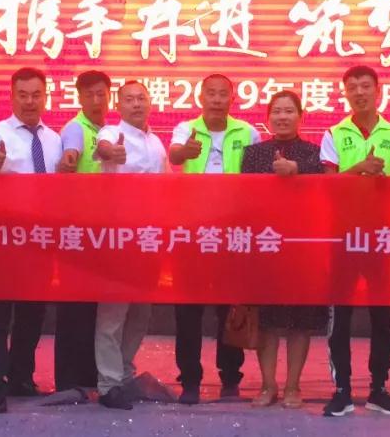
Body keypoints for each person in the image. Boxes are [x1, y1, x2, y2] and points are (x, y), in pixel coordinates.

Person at [319, 65, 390, 418]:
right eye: (353, 87)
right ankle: (341, 389)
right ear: (345, 93)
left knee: (382, 317)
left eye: (365, 86)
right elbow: (327, 185)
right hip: (342, 236)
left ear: (378, 90)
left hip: (382, 237)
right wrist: (358, 168)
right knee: (340, 316)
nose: (359, 92)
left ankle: (379, 389)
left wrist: (383, 180)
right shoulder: (334, 133)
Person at [0, 67, 65, 414]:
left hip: (40, 239)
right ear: (12, 97)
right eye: (23, 95)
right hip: (2, 239)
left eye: (36, 95)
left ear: (45, 97)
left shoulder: (54, 139)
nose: (29, 101)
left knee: (32, 313)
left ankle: (21, 377)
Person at [168, 73, 261, 405]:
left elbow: (258, 176)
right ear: (201, 98)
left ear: (232, 100)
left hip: (233, 231)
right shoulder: (186, 129)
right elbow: (175, 156)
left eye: (224, 94)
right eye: (211, 93)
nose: (217, 99)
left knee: (229, 309)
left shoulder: (247, 132)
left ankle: (230, 377)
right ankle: (190, 379)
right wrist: (185, 151)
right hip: (194, 231)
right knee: (188, 309)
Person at [240, 91, 326, 410]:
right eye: (276, 111)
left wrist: (297, 171)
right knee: (267, 320)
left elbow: (322, 196)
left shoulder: (315, 154)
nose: (282, 117)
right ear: (268, 118)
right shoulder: (253, 154)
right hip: (265, 244)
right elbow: (246, 198)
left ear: (301, 117)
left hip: (303, 245)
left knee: (300, 321)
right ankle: (267, 385)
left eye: (289, 111)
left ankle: (293, 386)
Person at [92, 80, 166, 410]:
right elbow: (104, 149)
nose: (136, 104)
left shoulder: (156, 142)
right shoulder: (110, 133)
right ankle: (108, 385)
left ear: (150, 103)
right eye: (129, 99)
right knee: (113, 314)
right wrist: (112, 153)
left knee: (140, 312)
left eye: (141, 98)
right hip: (120, 238)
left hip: (150, 238)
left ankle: (124, 373)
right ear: (118, 105)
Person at [51, 70, 110, 395]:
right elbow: (70, 153)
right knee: (73, 306)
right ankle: (68, 379)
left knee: (92, 307)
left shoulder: (108, 131)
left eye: (102, 94)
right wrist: (68, 160)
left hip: (102, 232)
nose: (96, 100)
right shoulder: (77, 129)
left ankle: (87, 375)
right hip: (77, 231)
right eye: (90, 95)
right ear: (80, 98)